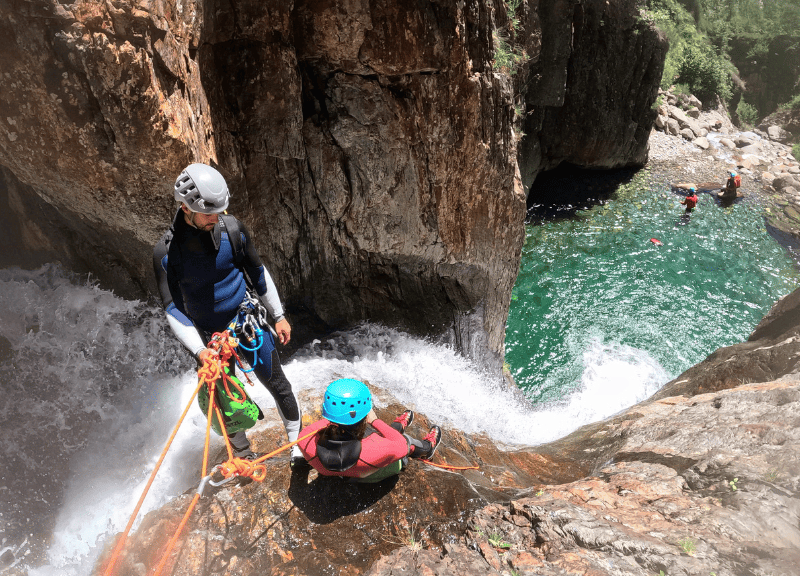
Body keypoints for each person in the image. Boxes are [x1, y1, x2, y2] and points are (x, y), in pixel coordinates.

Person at [153, 163, 305, 468]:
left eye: (219, 210)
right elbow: (172, 307)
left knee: (279, 384)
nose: (216, 217)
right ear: (185, 208)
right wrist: (200, 350)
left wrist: (278, 315)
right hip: (209, 338)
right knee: (224, 400)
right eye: (208, 212)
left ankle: (296, 446)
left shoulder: (232, 229)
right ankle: (243, 455)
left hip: (246, 323)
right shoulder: (167, 254)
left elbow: (257, 271)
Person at [296, 379, 442, 483]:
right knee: (406, 441)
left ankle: (398, 427)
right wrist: (375, 421)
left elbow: (316, 427)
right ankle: (428, 449)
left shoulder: (304, 440)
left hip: (345, 473)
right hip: (367, 475)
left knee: (371, 436)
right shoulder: (375, 450)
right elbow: (401, 443)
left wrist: (338, 416)